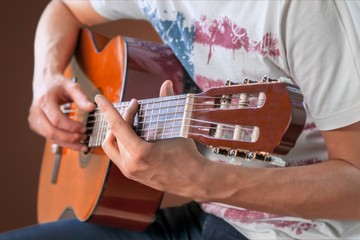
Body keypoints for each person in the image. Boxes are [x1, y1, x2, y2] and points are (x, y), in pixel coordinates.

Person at [1, 0, 360, 239]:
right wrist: (46, 77)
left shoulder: (303, 9)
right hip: (208, 216)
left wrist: (203, 180)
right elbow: (63, 7)